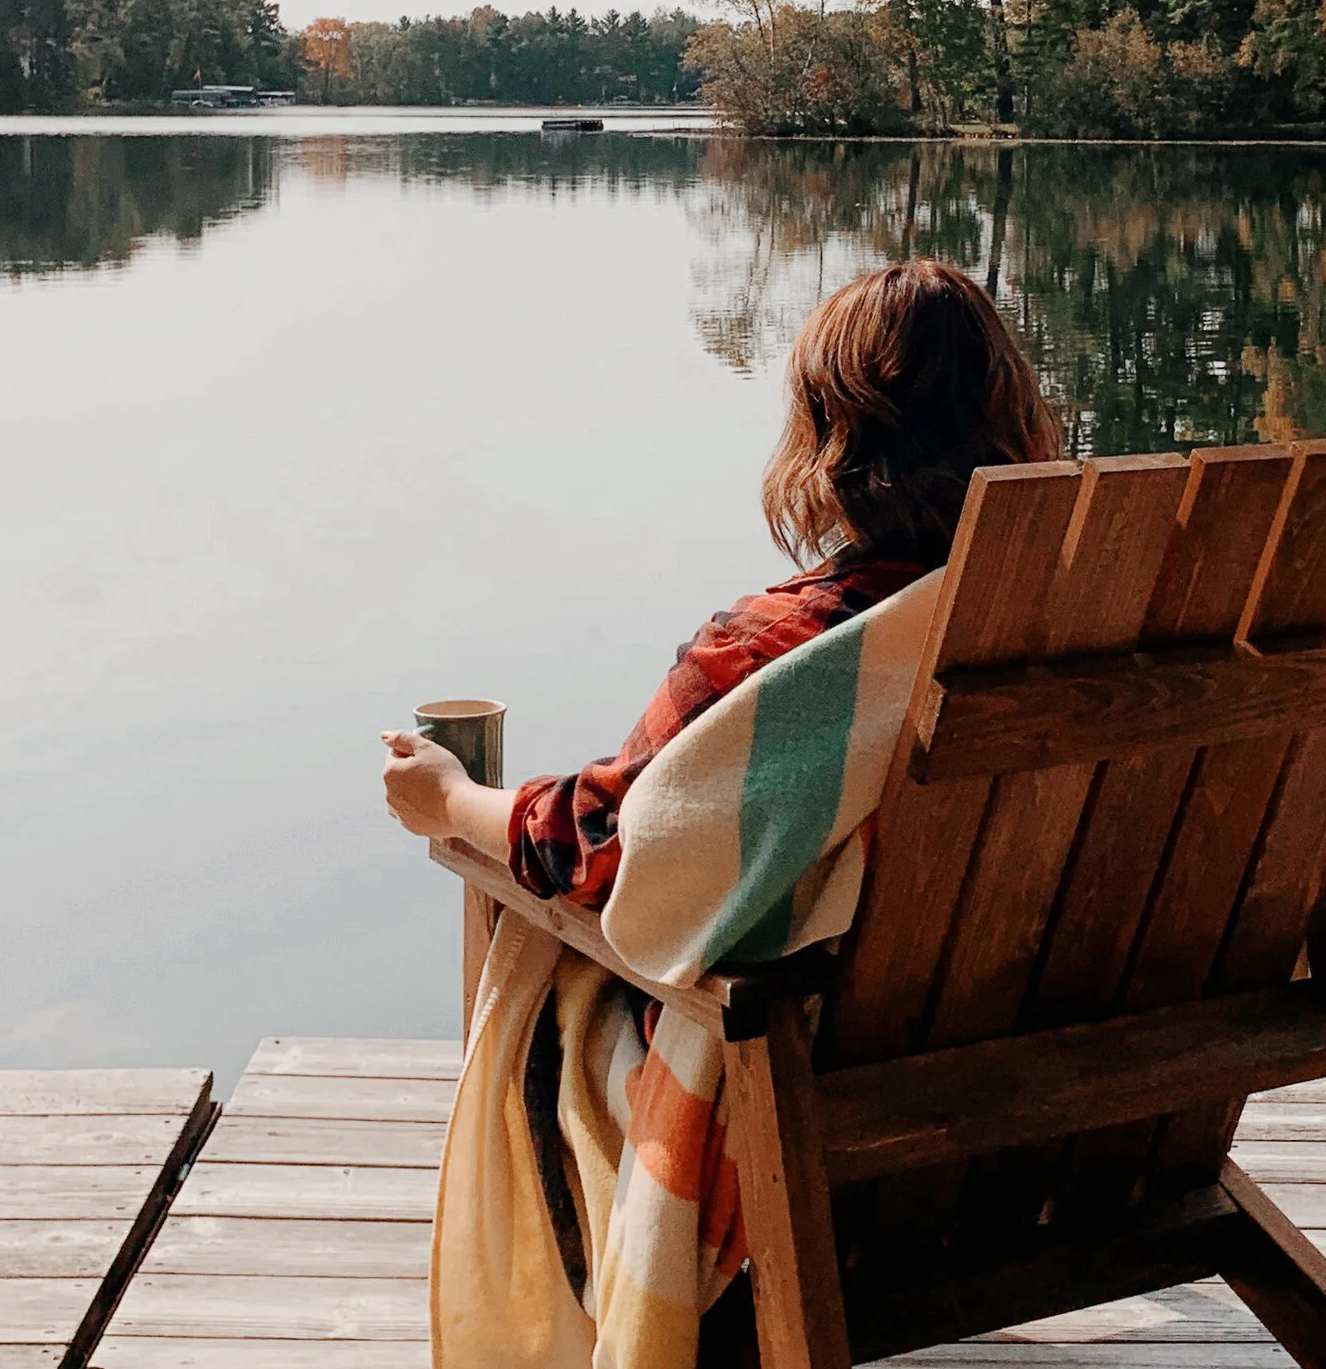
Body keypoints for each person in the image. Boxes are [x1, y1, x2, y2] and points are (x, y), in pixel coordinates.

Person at [380, 258, 1062, 898]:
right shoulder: (1076, 611)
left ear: (830, 437)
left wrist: (449, 800)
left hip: (798, 1019)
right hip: (1061, 997)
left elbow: (598, 848)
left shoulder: (777, 648)